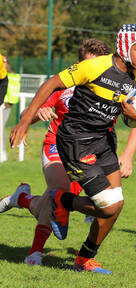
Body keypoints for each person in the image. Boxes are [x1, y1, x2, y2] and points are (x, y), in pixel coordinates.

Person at [10, 24, 136, 274]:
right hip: (75, 140)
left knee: (116, 206)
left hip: (104, 142)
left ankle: (84, 259)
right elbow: (52, 83)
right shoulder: (94, 66)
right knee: (108, 206)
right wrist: (25, 119)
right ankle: (61, 199)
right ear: (125, 47)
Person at [0, 39, 111, 265]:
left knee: (45, 205)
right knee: (59, 192)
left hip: (86, 153)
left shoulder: (110, 89)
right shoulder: (64, 86)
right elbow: (30, 110)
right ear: (78, 64)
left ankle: (20, 197)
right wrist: (38, 113)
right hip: (57, 146)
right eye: (87, 64)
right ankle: (35, 253)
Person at [1, 55, 21, 161]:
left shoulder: (12, 76)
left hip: (4, 106)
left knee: (0, 129)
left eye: (4, 62)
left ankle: (2, 153)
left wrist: (6, 104)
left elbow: (12, 93)